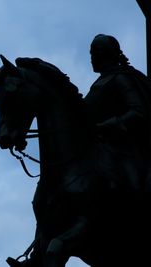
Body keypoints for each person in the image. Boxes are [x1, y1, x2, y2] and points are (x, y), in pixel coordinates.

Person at [84, 33, 151, 266]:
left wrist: (107, 125)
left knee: (131, 187)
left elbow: (139, 112)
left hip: (124, 150)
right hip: (101, 149)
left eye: (95, 52)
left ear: (107, 54)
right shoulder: (99, 83)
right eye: (90, 52)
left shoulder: (123, 79)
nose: (91, 57)